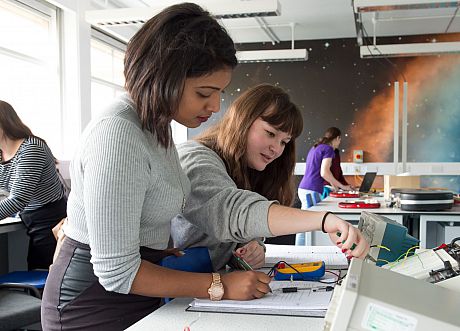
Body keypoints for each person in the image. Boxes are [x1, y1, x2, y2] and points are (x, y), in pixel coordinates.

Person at [41, 4, 272, 330]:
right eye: (204, 93)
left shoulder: (156, 128)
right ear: (164, 76)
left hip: (137, 291)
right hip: (92, 305)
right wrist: (218, 285)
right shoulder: (118, 132)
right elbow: (117, 270)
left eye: (220, 93)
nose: (215, 105)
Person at [171, 84, 369, 272]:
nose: (276, 149)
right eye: (270, 133)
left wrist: (253, 247)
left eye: (284, 142)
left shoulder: (249, 168)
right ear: (242, 120)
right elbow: (232, 213)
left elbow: (242, 230)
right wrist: (324, 220)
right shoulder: (193, 157)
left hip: (210, 283)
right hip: (177, 289)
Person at [0, 100, 67, 270]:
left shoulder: (31, 148)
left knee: (49, 274)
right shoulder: (2, 154)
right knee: (39, 270)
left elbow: (18, 199)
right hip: (29, 218)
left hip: (50, 220)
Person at [298, 127, 352, 208]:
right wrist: (343, 187)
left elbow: (321, 172)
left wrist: (335, 186)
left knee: (307, 218)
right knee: (313, 219)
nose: (339, 143)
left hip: (304, 188)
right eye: (340, 140)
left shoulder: (316, 147)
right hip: (313, 190)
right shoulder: (329, 149)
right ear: (338, 138)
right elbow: (324, 173)